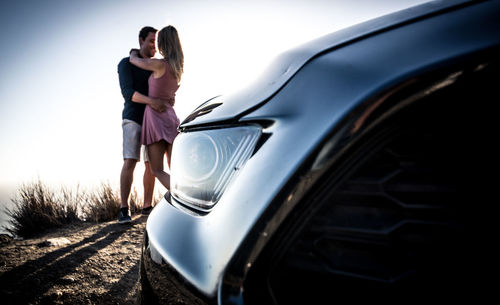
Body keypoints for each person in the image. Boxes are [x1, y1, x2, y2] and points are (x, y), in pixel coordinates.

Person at [117, 26, 170, 223]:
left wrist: (165, 100)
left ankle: (147, 206)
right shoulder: (126, 63)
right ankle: (124, 208)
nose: (154, 46)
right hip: (133, 118)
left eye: (156, 43)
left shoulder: (153, 65)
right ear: (141, 40)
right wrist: (152, 101)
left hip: (153, 120)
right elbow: (127, 92)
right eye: (151, 41)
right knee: (130, 161)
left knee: (151, 165)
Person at [129, 25, 183, 191]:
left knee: (157, 169)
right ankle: (188, 196)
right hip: (171, 117)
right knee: (176, 169)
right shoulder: (178, 68)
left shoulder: (159, 65)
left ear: (162, 43)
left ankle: (181, 197)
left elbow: (135, 61)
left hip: (155, 118)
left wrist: (132, 52)